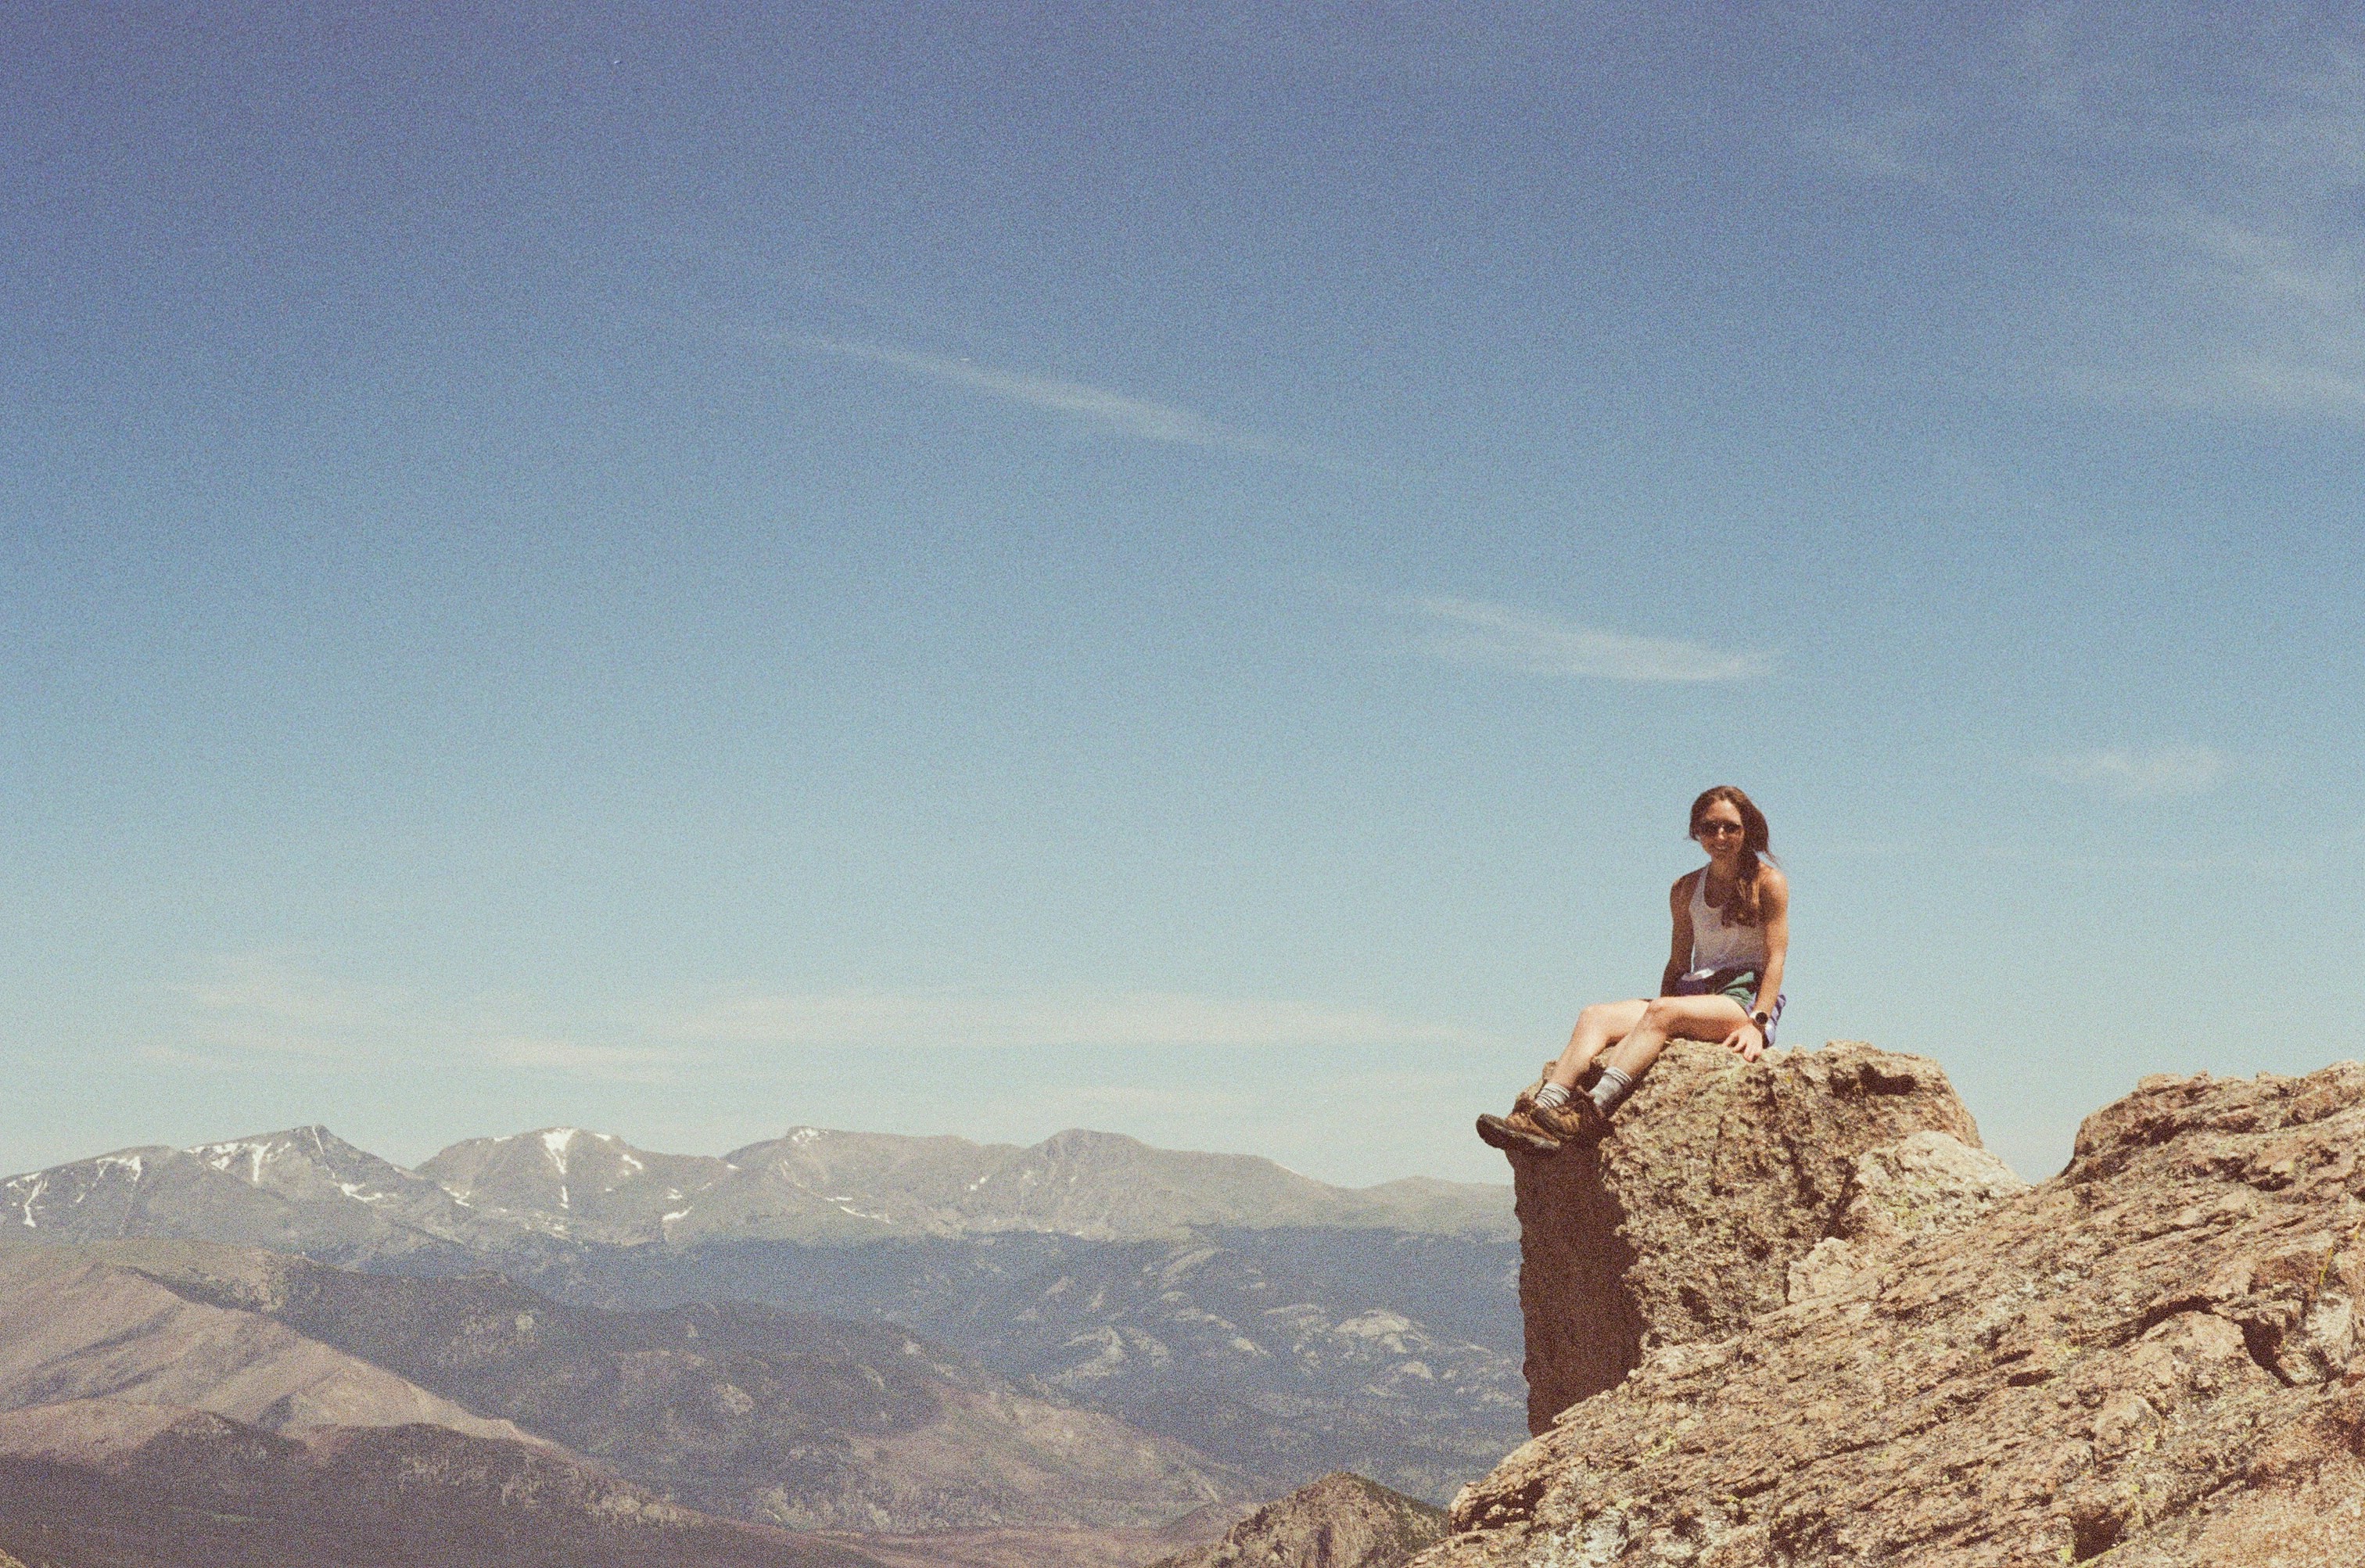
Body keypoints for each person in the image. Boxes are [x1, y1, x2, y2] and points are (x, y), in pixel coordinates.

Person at [1477, 785, 1789, 1153]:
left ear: (1746, 829)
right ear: (1696, 832)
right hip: (1696, 994)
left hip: (1741, 998)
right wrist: (1652, 1025)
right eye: (1709, 828)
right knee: (1595, 1016)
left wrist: (1758, 1024)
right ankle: (1538, 1114)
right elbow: (1678, 962)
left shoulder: (1768, 882)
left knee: (1662, 1010)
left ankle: (1590, 1112)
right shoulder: (1686, 888)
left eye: (1730, 828)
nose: (1720, 837)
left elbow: (1776, 959)